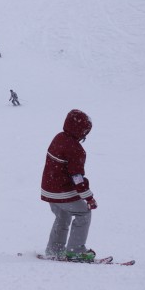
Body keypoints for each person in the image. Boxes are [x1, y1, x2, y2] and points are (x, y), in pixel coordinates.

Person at [41, 109, 97, 262]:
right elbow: (77, 178)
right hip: (61, 191)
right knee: (83, 213)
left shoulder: (58, 138)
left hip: (49, 190)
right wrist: (89, 198)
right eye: (85, 131)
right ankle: (76, 251)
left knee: (63, 216)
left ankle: (54, 249)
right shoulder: (76, 149)